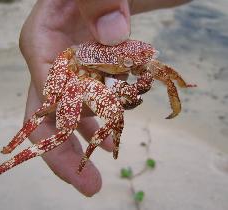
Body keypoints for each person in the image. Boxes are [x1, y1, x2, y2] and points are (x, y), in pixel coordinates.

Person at [19, 0, 192, 196]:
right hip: (88, 69)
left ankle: (177, 102)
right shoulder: (78, 58)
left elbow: (162, 74)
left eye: (129, 62)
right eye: (124, 62)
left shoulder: (138, 57)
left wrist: (180, 84)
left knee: (165, 76)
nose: (125, 66)